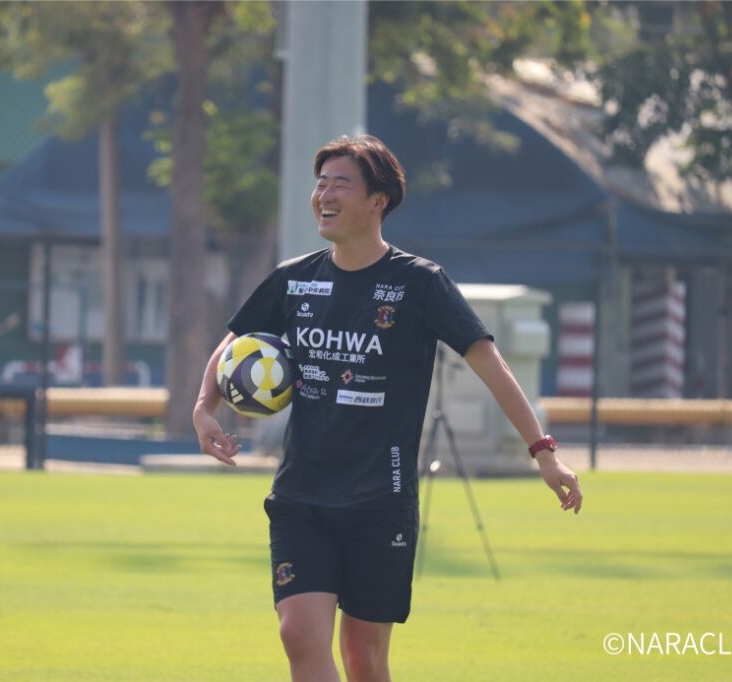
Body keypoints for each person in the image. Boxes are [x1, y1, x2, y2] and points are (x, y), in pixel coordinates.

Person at [192, 134, 583, 682]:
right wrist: (204, 407)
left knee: (364, 658)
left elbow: (491, 363)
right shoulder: (294, 277)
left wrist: (543, 452)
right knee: (298, 634)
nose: (324, 194)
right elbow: (234, 346)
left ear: (379, 200)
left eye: (340, 183)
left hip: (381, 499)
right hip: (301, 494)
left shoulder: (419, 283)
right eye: (320, 182)